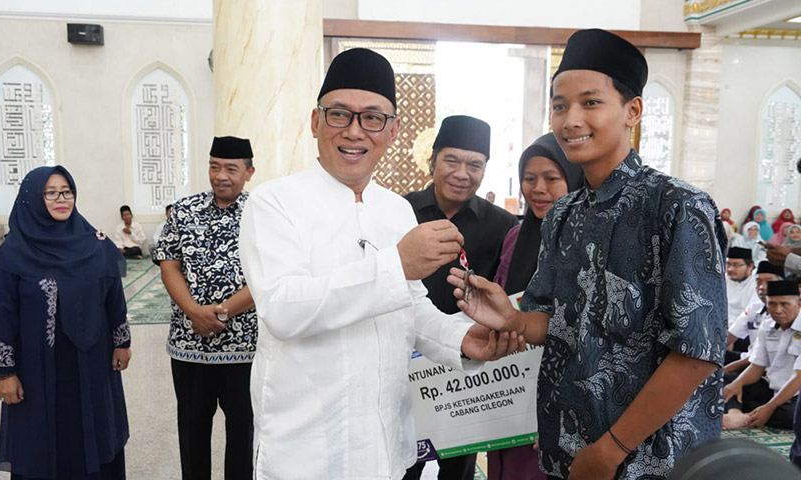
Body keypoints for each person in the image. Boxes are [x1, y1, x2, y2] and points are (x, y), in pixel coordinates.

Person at [447, 29, 727, 479]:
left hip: (650, 458)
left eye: (590, 102)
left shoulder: (677, 206)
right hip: (569, 448)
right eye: (560, 106)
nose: (570, 120)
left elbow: (696, 351)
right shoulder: (563, 214)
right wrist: (513, 318)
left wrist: (611, 449)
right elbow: (557, 323)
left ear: (632, 110)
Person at [236, 48, 520, 479]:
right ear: (315, 122)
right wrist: (397, 264)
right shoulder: (274, 203)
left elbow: (411, 308)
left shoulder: (395, 210)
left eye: (372, 118)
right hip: (307, 451)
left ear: (392, 131)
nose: (354, 131)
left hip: (385, 447)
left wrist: (462, 339)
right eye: (339, 114)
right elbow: (282, 309)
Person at [0, 165, 131, 479]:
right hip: (36, 370)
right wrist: (5, 372)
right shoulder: (13, 253)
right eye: (50, 193)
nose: (61, 199)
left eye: (66, 192)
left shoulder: (95, 242)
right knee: (41, 441)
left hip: (93, 362)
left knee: (94, 434)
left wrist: (122, 342)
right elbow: (2, 315)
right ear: (31, 199)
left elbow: (113, 292)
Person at [402, 115, 517, 480]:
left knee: (459, 468)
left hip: (465, 367)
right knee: (402, 462)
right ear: (433, 160)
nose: (462, 173)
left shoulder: (503, 225)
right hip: (404, 361)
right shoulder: (400, 211)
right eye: (451, 160)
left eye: (474, 165)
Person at [154, 136, 258, 480]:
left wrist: (223, 311)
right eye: (214, 167)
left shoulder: (262, 213)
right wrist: (193, 311)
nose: (220, 176)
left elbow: (270, 274)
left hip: (244, 348)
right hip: (189, 346)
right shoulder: (183, 210)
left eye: (231, 169)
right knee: (192, 429)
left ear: (249, 172)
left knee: (243, 430)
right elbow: (169, 264)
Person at [489, 132, 584, 480]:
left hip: (561, 394)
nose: (538, 189)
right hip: (508, 384)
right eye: (529, 179)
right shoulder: (516, 236)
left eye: (551, 178)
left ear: (573, 179)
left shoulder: (589, 242)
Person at [723, 280, 801, 431]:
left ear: (798, 304)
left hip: (797, 394)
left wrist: (769, 407)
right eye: (772, 304)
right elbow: (756, 367)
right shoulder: (767, 325)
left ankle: (745, 417)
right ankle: (735, 413)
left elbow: (798, 378)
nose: (778, 310)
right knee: (728, 380)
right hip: (772, 388)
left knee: (792, 416)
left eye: (784, 304)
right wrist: (738, 383)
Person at [725, 261, 784, 366]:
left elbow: (762, 359)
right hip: (748, 359)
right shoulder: (755, 307)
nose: (762, 287)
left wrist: (727, 370)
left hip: (766, 366)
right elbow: (729, 337)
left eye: (768, 281)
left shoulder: (787, 314)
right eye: (758, 282)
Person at [725, 247, 758, 329]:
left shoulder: (757, 283)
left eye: (736, 265)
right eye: (728, 264)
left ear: (750, 266)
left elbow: (751, 314)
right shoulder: (723, 280)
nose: (730, 269)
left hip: (744, 330)